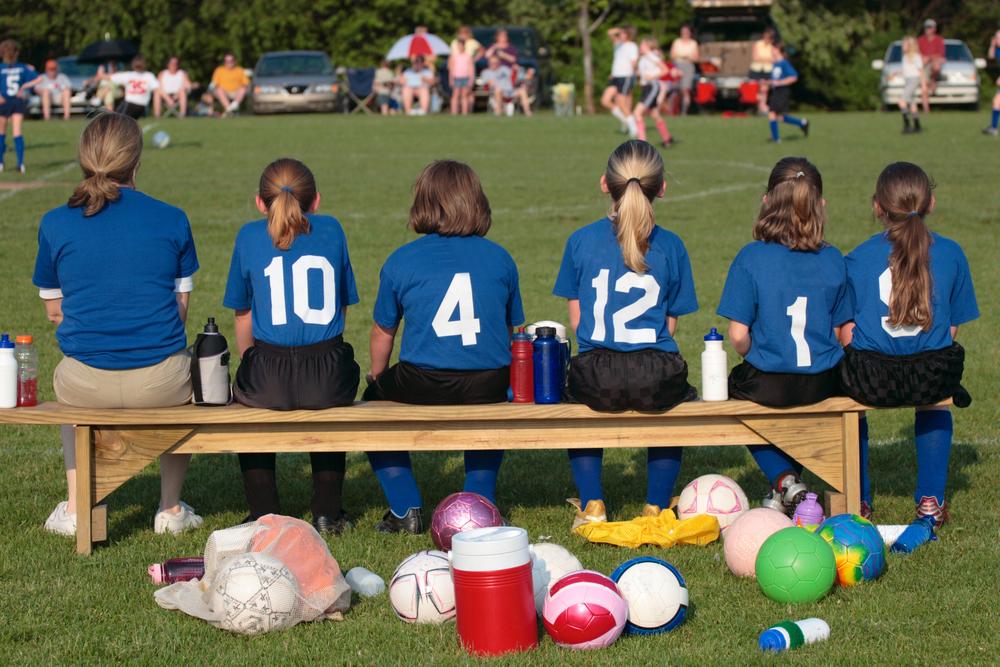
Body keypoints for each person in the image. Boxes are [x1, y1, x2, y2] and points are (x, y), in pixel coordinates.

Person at [32, 112, 203, 537]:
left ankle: (76, 507)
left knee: (66, 386)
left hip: (84, 380)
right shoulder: (173, 217)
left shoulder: (55, 222)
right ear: (137, 162)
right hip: (162, 382)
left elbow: (54, 312)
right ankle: (170, 509)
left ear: (83, 158)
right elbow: (180, 310)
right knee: (188, 381)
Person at [364, 160, 524, 534]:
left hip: (423, 378)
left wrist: (378, 377)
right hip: (489, 379)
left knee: (371, 407)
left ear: (423, 203)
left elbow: (383, 331)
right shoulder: (500, 257)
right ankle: (478, 501)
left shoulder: (402, 259)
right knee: (489, 412)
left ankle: (405, 508)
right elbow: (511, 327)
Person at [553, 140, 698, 530]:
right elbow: (669, 324)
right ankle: (655, 505)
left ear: (605, 184)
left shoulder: (580, 240)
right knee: (675, 406)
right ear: (662, 188)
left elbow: (577, 321)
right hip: (655, 368)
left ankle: (593, 502)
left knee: (576, 403)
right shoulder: (672, 244)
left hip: (597, 369)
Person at [839, 162, 978, 551]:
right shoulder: (950, 253)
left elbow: (847, 331)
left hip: (871, 377)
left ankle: (859, 503)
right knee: (936, 401)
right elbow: (951, 329)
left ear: (877, 207)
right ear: (931, 202)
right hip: (931, 374)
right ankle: (930, 504)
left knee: (850, 400)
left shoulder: (858, 257)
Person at [223, 159, 361, 534]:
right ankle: (328, 511)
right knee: (331, 404)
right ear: (315, 201)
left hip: (269, 367)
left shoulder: (249, 235)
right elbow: (341, 306)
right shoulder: (331, 229)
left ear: (259, 202)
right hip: (327, 368)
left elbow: (242, 313)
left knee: (248, 407)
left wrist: (252, 361)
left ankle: (264, 512)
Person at [717, 157, 851, 516]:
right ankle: (786, 491)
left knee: (729, 397)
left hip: (769, 382)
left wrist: (754, 354)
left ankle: (784, 480)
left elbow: (738, 335)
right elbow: (844, 332)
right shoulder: (834, 258)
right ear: (819, 205)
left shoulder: (751, 257)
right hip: (823, 381)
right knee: (815, 407)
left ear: (766, 202)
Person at [0, 39, 42, 174]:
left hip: (3, 102)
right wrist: (24, 86)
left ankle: (1, 162)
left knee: (1, 133)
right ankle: (20, 163)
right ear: (16, 53)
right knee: (17, 132)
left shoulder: (1, 68)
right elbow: (39, 78)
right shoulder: (23, 67)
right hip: (17, 101)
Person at [634, 38, 673, 147]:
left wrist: (652, 76)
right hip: (646, 87)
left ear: (647, 46)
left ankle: (642, 143)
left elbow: (665, 69)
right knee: (654, 114)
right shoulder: (644, 58)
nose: (640, 47)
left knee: (637, 113)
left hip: (652, 86)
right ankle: (667, 138)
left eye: (642, 44)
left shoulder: (651, 56)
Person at [766, 42, 808, 142]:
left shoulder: (784, 63)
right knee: (780, 117)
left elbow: (794, 77)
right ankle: (802, 123)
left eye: (773, 49)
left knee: (772, 114)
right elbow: (775, 79)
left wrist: (780, 82)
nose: (771, 51)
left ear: (778, 51)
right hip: (776, 92)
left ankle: (776, 139)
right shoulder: (775, 64)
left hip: (783, 92)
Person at [602, 27, 639, 137]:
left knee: (622, 103)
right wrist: (619, 30)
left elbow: (634, 62)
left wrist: (635, 76)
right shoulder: (618, 45)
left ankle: (633, 128)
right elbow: (609, 32)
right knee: (605, 101)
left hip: (625, 76)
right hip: (615, 77)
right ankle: (627, 122)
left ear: (628, 35)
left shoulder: (632, 46)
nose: (619, 35)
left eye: (622, 33)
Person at [108, 55, 159, 119]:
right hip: (139, 106)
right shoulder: (148, 75)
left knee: (118, 120)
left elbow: (111, 77)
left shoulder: (145, 75)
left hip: (131, 104)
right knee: (116, 117)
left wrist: (100, 75)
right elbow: (157, 89)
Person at [669, 25, 700, 115]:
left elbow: (696, 58)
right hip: (677, 66)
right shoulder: (677, 42)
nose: (685, 34)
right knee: (675, 89)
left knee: (685, 89)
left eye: (686, 32)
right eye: (683, 32)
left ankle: (684, 111)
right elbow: (672, 55)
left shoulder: (693, 43)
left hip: (688, 67)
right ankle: (672, 111)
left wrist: (687, 57)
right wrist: (682, 56)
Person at [917, 19, 945, 113]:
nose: (927, 29)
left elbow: (940, 55)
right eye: (926, 27)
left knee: (936, 65)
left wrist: (928, 58)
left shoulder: (939, 40)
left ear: (934, 29)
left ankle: (933, 80)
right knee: (924, 88)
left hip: (932, 65)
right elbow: (917, 55)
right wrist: (924, 59)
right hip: (923, 67)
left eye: (929, 27)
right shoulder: (920, 40)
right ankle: (926, 110)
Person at [899, 37, 926, 134]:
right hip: (907, 80)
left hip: (914, 80)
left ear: (910, 46)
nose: (902, 46)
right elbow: (906, 70)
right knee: (912, 103)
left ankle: (907, 125)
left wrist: (923, 85)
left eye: (904, 45)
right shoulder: (904, 57)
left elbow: (921, 71)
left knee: (902, 101)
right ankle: (917, 126)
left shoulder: (916, 57)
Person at [749, 27, 776, 114]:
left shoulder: (772, 47)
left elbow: (774, 59)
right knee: (757, 89)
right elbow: (755, 58)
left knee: (765, 89)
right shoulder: (758, 44)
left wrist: (763, 59)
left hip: (767, 70)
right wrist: (767, 59)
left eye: (769, 38)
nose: (766, 39)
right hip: (756, 70)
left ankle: (762, 107)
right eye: (765, 37)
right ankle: (759, 106)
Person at [449, 37, 474, 115]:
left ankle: (464, 112)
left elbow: (471, 69)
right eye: (459, 45)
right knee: (455, 95)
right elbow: (451, 69)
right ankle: (454, 112)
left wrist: (471, 79)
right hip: (456, 77)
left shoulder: (468, 56)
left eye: (461, 45)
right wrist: (451, 79)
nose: (460, 47)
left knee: (464, 95)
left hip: (465, 77)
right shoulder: (454, 56)